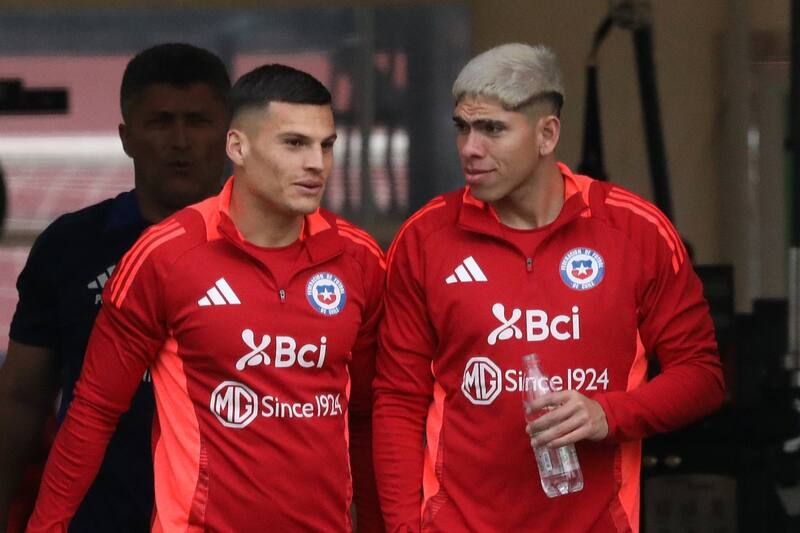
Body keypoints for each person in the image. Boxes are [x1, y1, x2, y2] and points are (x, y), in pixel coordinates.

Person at [372, 43, 725, 532]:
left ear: (547, 133)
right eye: (462, 127)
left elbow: (702, 376)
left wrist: (608, 414)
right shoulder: (425, 237)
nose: (470, 148)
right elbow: (396, 399)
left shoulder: (634, 230)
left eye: (492, 129)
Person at [26, 63, 385, 532]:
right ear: (237, 146)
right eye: (294, 143)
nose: (316, 163)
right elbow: (92, 411)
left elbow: (366, 417)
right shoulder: (165, 254)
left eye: (326, 145)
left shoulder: (359, 257)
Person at [0, 43, 231, 533]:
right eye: (161, 122)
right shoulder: (70, 247)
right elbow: (21, 398)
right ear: (126, 137)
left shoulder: (279, 247)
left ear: (231, 136)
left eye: (197, 121)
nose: (180, 140)